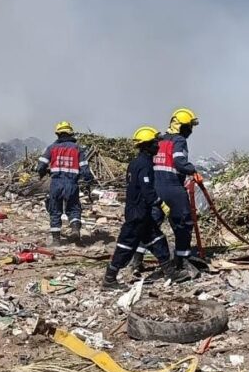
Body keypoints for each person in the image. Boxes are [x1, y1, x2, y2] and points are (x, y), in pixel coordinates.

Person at [103, 127, 187, 289]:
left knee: (158, 240)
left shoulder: (139, 163)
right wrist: (161, 204)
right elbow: (147, 191)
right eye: (155, 143)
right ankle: (109, 278)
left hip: (142, 212)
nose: (158, 146)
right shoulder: (143, 165)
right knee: (126, 245)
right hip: (137, 213)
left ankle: (170, 272)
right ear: (147, 146)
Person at [153, 108, 203, 280]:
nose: (191, 130)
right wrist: (193, 170)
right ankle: (181, 260)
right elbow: (179, 162)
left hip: (155, 187)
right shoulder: (179, 140)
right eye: (189, 126)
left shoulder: (158, 140)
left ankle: (135, 263)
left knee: (151, 224)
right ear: (182, 126)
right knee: (183, 222)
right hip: (172, 187)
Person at [36, 122, 94, 246]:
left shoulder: (51, 148)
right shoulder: (77, 148)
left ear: (58, 133)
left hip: (56, 184)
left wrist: (42, 174)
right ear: (70, 133)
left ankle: (56, 241)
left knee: (55, 210)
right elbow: (85, 168)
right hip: (72, 184)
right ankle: (75, 230)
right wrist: (88, 181)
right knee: (73, 209)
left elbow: (40, 166)